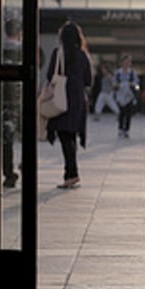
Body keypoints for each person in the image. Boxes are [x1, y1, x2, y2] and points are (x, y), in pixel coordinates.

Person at [45, 20, 93, 189]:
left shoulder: (58, 53)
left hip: (60, 97)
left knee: (65, 137)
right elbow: (88, 80)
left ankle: (71, 174)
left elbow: (51, 75)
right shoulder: (83, 55)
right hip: (77, 99)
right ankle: (71, 173)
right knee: (70, 136)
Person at [2, 18, 23, 189]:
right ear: (20, 33)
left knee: (6, 139)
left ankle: (8, 173)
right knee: (25, 136)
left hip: (3, 102)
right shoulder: (23, 50)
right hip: (20, 101)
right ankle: (25, 165)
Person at [113, 53, 139, 138]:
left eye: (129, 62)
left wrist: (132, 84)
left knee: (128, 114)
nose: (127, 64)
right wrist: (118, 85)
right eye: (125, 62)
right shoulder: (117, 72)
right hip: (120, 95)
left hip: (129, 95)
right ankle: (120, 129)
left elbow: (136, 83)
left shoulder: (132, 72)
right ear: (122, 63)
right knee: (121, 113)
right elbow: (113, 84)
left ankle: (127, 130)